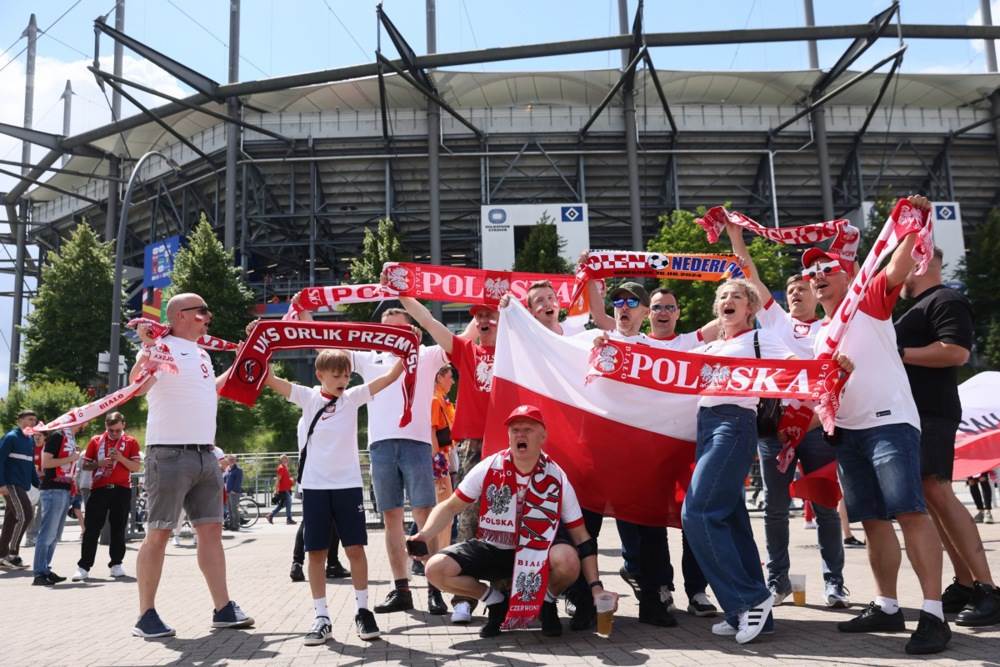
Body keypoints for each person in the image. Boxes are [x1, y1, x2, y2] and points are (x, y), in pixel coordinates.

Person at [805, 196, 950, 654]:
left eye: (827, 268)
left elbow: (899, 264)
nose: (819, 277)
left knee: (909, 512)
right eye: (812, 274)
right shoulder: (816, 334)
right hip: (847, 432)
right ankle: (888, 606)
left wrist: (912, 223)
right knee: (871, 520)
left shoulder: (867, 300)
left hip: (889, 424)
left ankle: (932, 613)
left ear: (849, 273)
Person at [682, 279, 841, 643]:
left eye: (737, 296)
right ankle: (749, 613)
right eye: (723, 296)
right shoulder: (710, 346)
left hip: (734, 425)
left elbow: (800, 369)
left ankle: (749, 599)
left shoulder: (759, 340)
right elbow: (661, 357)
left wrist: (833, 371)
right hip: (705, 428)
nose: (728, 300)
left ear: (750, 308)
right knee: (732, 519)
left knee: (698, 513)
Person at [411, 404, 617, 638]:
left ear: (543, 436)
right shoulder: (489, 467)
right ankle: (496, 602)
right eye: (515, 429)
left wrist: (596, 588)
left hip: (539, 553)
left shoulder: (557, 476)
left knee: (568, 559)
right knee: (435, 569)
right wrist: (424, 535)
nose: (520, 434)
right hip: (494, 548)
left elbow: (582, 537)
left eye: (528, 429)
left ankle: (547, 602)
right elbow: (449, 507)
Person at [727, 224, 850, 610]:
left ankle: (835, 583)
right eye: (791, 290)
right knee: (775, 509)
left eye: (804, 288)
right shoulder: (776, 321)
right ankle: (777, 581)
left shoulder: (833, 328)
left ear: (817, 294)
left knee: (827, 506)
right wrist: (735, 233)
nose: (796, 293)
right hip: (775, 428)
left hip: (817, 427)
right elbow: (747, 270)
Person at [130, 293, 253, 638]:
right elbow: (137, 387)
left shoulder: (200, 353)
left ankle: (223, 608)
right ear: (181, 316)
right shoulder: (160, 345)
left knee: (211, 530)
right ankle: (145, 615)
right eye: (203, 311)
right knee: (159, 532)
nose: (208, 316)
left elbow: (208, 390)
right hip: (168, 454)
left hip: (205, 453)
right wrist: (148, 350)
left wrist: (244, 358)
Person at [263, 348, 403, 645]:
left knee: (355, 549)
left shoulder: (352, 398)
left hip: (348, 485)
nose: (342, 380)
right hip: (314, 487)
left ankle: (363, 611)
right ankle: (321, 616)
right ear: (320, 375)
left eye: (346, 374)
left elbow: (391, 377)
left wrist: (407, 349)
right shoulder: (307, 397)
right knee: (316, 553)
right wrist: (257, 348)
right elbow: (270, 379)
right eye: (336, 375)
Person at [586, 282, 702, 628]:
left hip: (640, 454)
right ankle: (581, 600)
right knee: (586, 526)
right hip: (600, 452)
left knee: (648, 528)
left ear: (643, 313)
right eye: (617, 301)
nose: (623, 307)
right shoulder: (596, 341)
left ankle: (652, 600)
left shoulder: (657, 350)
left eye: (631, 302)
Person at [895, 246, 1000, 626]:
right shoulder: (917, 306)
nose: (897, 271)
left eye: (903, 263)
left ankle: (988, 588)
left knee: (938, 490)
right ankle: (967, 582)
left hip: (933, 412)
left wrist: (898, 352)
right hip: (915, 413)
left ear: (920, 263)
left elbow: (955, 351)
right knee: (929, 493)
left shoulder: (946, 299)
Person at [397, 295, 498, 624]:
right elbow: (428, 321)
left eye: (491, 315)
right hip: (473, 444)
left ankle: (511, 595)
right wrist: (404, 295)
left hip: (509, 443)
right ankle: (464, 598)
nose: (484, 320)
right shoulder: (466, 351)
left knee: (508, 521)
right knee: (467, 520)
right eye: (479, 315)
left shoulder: (519, 351)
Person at [350, 308, 448, 617]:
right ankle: (402, 588)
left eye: (396, 330)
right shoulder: (369, 357)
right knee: (390, 518)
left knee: (424, 515)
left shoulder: (427, 355)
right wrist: (305, 317)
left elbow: (463, 340)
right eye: (384, 331)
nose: (388, 336)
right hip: (380, 446)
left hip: (417, 443)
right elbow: (327, 346)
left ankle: (436, 589)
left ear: (413, 333)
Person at [73, 412, 142, 582]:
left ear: (123, 425)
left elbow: (135, 466)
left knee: (118, 528)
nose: (114, 434)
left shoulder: (130, 441)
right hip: (99, 488)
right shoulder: (96, 441)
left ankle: (116, 564)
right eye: (111, 430)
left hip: (122, 489)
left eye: (118, 430)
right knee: (92, 528)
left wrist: (120, 458)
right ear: (106, 426)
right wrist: (99, 463)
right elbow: (85, 465)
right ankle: (84, 566)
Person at [33, 422, 87, 585]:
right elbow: (47, 462)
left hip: (64, 488)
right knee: (47, 533)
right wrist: (72, 457)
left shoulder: (69, 438)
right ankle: (39, 573)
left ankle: (45, 569)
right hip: (53, 488)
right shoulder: (58, 436)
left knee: (55, 535)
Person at [0, 410, 40, 571]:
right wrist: (1, 484)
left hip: (22, 485)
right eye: (30, 419)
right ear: (20, 420)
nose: (33, 423)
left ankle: (2, 556)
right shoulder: (11, 437)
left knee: (11, 519)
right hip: (11, 484)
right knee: (25, 515)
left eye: (35, 420)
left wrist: (37, 484)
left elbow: (30, 465)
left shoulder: (29, 440)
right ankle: (12, 554)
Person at [430, 365, 456, 547]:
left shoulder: (442, 399)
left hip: (444, 457)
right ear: (439, 377)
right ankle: (438, 554)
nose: (453, 381)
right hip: (439, 462)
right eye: (450, 377)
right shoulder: (434, 400)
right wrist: (438, 467)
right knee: (444, 512)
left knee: (445, 512)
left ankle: (441, 552)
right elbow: (432, 433)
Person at [267, 454, 295, 525]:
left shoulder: (285, 468)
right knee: (288, 504)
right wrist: (276, 490)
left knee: (283, 505)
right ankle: (289, 519)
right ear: (280, 460)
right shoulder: (281, 468)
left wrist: (290, 480)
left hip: (287, 489)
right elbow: (278, 480)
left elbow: (285, 479)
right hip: (283, 490)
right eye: (283, 459)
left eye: (286, 459)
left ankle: (270, 515)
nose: (285, 460)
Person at [223, 455, 244, 532]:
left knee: (235, 510)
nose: (231, 461)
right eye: (230, 459)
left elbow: (238, 482)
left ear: (235, 460)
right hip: (228, 492)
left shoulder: (238, 470)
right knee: (230, 510)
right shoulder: (228, 469)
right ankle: (232, 525)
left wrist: (233, 490)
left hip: (234, 493)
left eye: (233, 459)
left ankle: (236, 525)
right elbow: (224, 479)